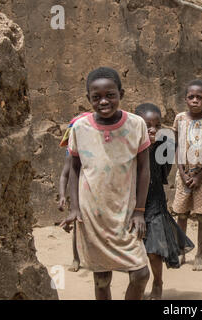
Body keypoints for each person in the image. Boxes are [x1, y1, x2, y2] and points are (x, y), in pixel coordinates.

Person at [60, 67, 151, 300]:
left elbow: (144, 169)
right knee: (102, 280)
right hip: (93, 215)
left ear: (121, 93)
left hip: (126, 213)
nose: (104, 101)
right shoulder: (80, 128)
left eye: (110, 95)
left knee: (140, 274)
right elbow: (74, 169)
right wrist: (74, 208)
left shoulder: (136, 124)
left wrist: (139, 211)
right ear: (88, 98)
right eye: (96, 97)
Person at [134, 103, 194, 300]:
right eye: (146, 125)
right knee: (135, 249)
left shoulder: (164, 147)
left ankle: (157, 282)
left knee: (154, 250)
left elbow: (163, 174)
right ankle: (137, 285)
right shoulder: (129, 146)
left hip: (154, 203)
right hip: (132, 205)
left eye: (157, 126)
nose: (152, 130)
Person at [172, 79, 202, 271]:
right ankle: (181, 251)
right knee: (181, 213)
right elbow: (176, 146)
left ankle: (200, 254)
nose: (195, 100)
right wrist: (183, 173)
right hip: (184, 172)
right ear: (185, 99)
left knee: (201, 215)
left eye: (199, 97)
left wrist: (200, 176)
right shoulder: (180, 119)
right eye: (191, 97)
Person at [58, 111, 91, 272]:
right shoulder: (72, 155)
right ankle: (76, 258)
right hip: (78, 194)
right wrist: (63, 195)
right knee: (78, 226)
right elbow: (65, 175)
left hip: (94, 193)